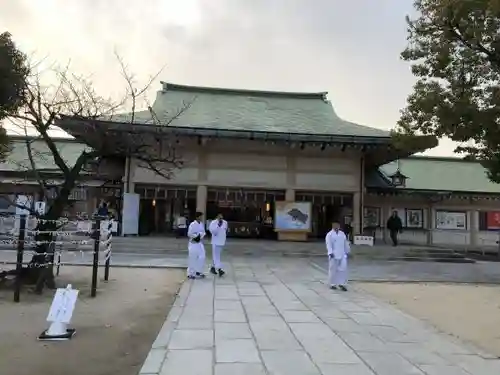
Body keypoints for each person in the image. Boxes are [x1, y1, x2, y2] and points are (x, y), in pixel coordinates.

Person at [325, 222, 351, 291]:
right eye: (335, 225)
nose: (337, 226)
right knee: (333, 269)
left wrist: (347, 250)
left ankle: (341, 284)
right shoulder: (329, 234)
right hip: (334, 254)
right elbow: (328, 244)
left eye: (338, 225)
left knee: (343, 269)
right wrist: (330, 252)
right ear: (333, 226)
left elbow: (345, 243)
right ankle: (332, 284)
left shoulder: (342, 233)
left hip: (342, 254)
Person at [186, 212, 206, 280]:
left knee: (202, 257)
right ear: (197, 217)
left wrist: (200, 235)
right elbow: (189, 233)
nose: (201, 218)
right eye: (200, 216)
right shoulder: (192, 224)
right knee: (192, 258)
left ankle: (198, 271)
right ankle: (190, 273)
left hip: (199, 243)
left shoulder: (201, 224)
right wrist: (196, 236)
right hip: (193, 243)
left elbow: (203, 232)